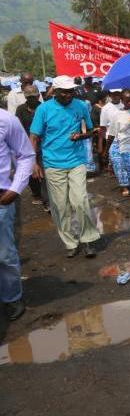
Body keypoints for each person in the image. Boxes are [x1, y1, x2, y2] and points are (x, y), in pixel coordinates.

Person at [29, 75, 102, 258]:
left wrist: (81, 136)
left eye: (70, 91)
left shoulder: (80, 106)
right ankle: (70, 242)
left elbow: (92, 130)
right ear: (55, 91)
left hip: (76, 161)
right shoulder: (44, 109)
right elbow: (34, 137)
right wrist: (33, 162)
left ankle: (87, 240)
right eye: (64, 92)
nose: (68, 95)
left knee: (80, 201)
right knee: (60, 206)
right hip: (53, 164)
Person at [0, 108, 36, 321]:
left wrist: (16, 188)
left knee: (4, 254)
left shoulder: (6, 120)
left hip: (2, 198)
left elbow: (26, 155)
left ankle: (12, 297)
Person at [14, 84, 46, 206]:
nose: (32, 99)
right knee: (30, 172)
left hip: (42, 144)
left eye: (34, 96)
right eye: (29, 97)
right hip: (26, 144)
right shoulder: (21, 109)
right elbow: (18, 127)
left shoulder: (43, 108)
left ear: (38, 96)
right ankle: (37, 194)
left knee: (43, 170)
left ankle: (46, 197)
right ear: (26, 97)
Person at [100, 89, 128, 195]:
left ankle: (129, 183)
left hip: (126, 139)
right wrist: (103, 146)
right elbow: (103, 127)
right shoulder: (106, 109)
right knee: (118, 164)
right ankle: (124, 186)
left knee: (126, 164)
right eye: (114, 93)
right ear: (110, 95)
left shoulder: (125, 104)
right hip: (112, 140)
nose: (116, 95)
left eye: (118, 93)